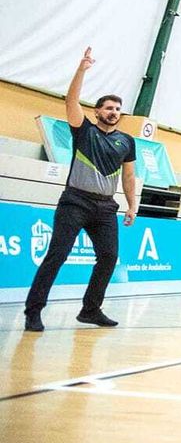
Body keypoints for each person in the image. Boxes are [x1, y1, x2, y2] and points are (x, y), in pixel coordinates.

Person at [23, 47, 137, 332]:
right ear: (97, 111)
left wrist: (132, 205)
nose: (114, 112)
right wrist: (82, 69)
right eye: (108, 108)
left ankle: (90, 310)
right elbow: (70, 100)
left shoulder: (127, 142)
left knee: (108, 256)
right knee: (57, 255)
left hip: (105, 207)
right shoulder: (85, 130)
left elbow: (129, 176)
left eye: (117, 109)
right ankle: (33, 311)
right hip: (75, 202)